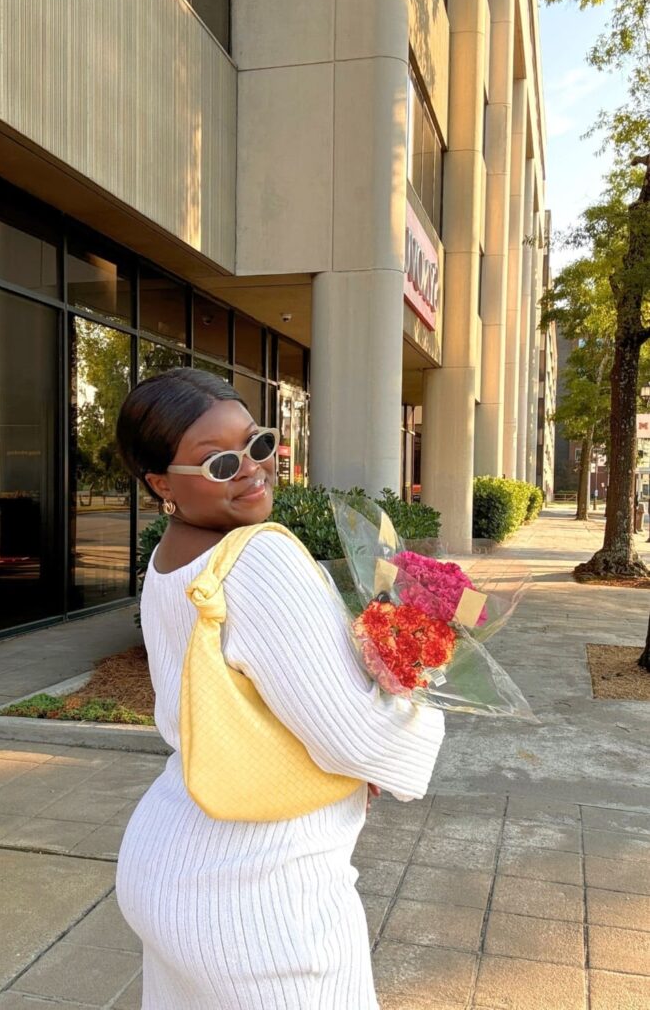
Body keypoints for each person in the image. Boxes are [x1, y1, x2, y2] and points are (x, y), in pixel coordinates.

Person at [115, 367, 445, 1010]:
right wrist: (418, 689)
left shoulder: (169, 558)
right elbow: (353, 734)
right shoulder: (260, 557)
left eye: (258, 444)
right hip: (258, 895)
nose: (252, 469)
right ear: (161, 484)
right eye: (219, 464)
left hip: (172, 854)